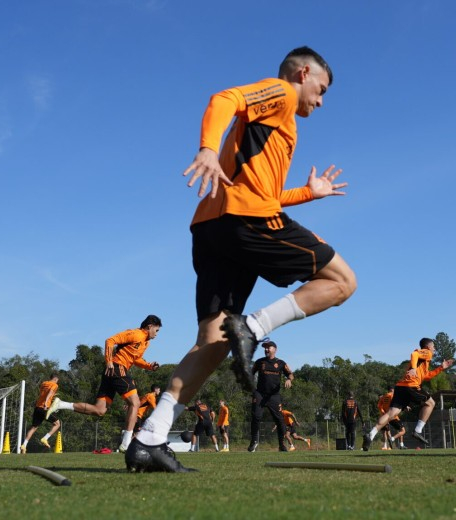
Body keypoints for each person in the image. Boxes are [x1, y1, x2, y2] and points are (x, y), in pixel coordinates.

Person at [127, 47, 356, 473]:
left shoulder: (274, 126)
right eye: (321, 89)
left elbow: (266, 193)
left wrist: (310, 194)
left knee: (211, 343)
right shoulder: (283, 94)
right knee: (343, 281)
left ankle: (149, 438)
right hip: (245, 219)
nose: (320, 101)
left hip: (213, 227)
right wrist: (208, 149)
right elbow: (224, 99)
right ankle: (253, 328)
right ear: (303, 73)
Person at [47, 315, 162, 452]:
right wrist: (109, 361)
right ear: (149, 326)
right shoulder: (136, 334)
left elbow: (135, 359)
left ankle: (61, 404)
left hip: (113, 372)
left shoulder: (145, 342)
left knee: (100, 410)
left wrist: (149, 366)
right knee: (135, 403)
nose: (157, 334)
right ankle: (126, 444)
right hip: (117, 368)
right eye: (157, 330)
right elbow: (110, 340)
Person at [362, 338, 453, 451]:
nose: (434, 349)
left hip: (400, 387)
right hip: (411, 385)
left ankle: (371, 434)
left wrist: (440, 368)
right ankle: (418, 431)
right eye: (433, 346)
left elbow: (427, 376)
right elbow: (414, 354)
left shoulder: (424, 362)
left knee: (391, 413)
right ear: (428, 347)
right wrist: (414, 369)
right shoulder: (427, 353)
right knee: (431, 403)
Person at [246, 341, 293, 453]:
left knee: (280, 420)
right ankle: (254, 442)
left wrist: (289, 379)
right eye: (265, 348)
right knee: (256, 417)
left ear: (275, 349)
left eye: (268, 347)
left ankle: (281, 444)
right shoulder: (259, 362)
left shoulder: (281, 363)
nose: (266, 349)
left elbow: (290, 374)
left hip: (274, 396)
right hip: (260, 394)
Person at [20, 373, 61, 453]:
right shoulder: (55, 385)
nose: (57, 383)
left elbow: (44, 393)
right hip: (44, 408)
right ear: (55, 379)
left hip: (37, 407)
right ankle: (45, 438)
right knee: (57, 424)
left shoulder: (44, 383)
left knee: (34, 427)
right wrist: (46, 402)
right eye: (57, 381)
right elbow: (50, 392)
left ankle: (24, 445)